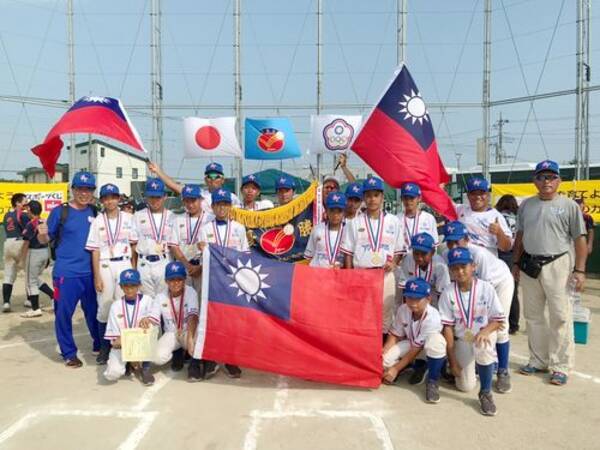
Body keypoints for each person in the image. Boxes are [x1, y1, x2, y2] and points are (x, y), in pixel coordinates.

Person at [512, 160, 587, 386]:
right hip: (530, 265)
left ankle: (560, 365)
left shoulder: (569, 206)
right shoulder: (526, 205)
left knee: (560, 316)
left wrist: (580, 270)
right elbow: (520, 237)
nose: (546, 181)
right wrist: (516, 263)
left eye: (551, 177)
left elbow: (579, 239)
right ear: (534, 180)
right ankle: (538, 360)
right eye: (542, 177)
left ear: (558, 181)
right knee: (533, 317)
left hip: (558, 264)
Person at [37, 171, 101, 368]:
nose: (84, 193)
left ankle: (99, 345)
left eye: (88, 189)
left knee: (94, 313)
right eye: (80, 189)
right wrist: (42, 234)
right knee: (64, 313)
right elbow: (45, 239)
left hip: (91, 273)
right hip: (66, 274)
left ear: (92, 191)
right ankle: (69, 353)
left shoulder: (95, 212)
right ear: (73, 189)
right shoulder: (60, 212)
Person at [442, 221, 514, 393]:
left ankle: (502, 370)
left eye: (457, 241)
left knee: (500, 327)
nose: (453, 246)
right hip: (471, 287)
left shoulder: (478, 254)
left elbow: (481, 291)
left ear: (466, 239)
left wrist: (483, 328)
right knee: (465, 385)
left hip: (499, 281)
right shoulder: (447, 254)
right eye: (449, 242)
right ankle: (471, 361)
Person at [439, 247, 505, 416]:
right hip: (463, 339)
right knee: (464, 386)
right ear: (451, 270)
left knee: (483, 347)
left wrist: (486, 331)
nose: (460, 271)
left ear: (473, 266)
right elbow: (447, 327)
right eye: (455, 268)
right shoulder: (448, 292)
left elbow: (498, 319)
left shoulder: (486, 288)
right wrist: (453, 361)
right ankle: (476, 369)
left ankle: (485, 392)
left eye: (464, 266)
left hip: (483, 334)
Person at [341, 176, 406, 336]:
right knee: (362, 312)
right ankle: (364, 350)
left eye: (376, 195)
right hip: (362, 274)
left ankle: (381, 353)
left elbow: (399, 249)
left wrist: (394, 263)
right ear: (364, 198)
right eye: (368, 195)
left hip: (385, 273)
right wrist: (350, 276)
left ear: (382, 197)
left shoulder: (393, 221)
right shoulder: (354, 222)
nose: (372, 199)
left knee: (386, 313)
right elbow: (348, 253)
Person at [196, 188, 249, 379]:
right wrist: (202, 250)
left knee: (231, 320)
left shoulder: (239, 228)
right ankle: (211, 358)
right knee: (212, 319)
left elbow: (245, 256)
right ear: (213, 206)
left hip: (233, 281)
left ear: (230, 206)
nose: (222, 208)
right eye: (218, 204)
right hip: (213, 281)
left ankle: (230, 359)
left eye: (225, 204)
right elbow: (202, 257)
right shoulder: (205, 229)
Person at [85, 183, 138, 365]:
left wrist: (133, 269)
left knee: (124, 306)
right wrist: (96, 276)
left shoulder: (129, 218)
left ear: (118, 199)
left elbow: (133, 246)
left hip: (124, 263)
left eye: (113, 197)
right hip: (105, 265)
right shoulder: (98, 221)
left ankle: (127, 346)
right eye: (106, 198)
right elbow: (95, 251)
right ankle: (104, 347)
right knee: (105, 307)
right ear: (102, 201)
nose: (110, 201)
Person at [382, 277, 447, 404]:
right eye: (409, 297)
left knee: (436, 343)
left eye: (417, 299)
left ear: (428, 299)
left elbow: (416, 349)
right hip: (411, 343)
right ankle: (415, 366)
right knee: (383, 361)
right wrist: (384, 351)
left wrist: (396, 368)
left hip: (426, 350)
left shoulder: (433, 317)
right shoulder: (403, 309)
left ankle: (432, 379)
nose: (412, 302)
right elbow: (395, 334)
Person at [103, 268, 158, 386]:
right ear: (121, 287)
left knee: (149, 327)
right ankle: (130, 363)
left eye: (133, 285)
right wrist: (130, 353)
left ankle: (145, 367)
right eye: (125, 286)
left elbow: (155, 323)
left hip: (141, 343)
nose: (129, 289)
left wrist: (148, 319)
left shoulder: (148, 300)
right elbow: (115, 342)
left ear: (139, 285)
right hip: (123, 346)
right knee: (112, 374)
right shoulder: (116, 306)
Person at [151, 262, 202, 381]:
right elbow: (153, 318)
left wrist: (189, 339)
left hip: (188, 331)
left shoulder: (190, 292)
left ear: (185, 279)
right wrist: (146, 321)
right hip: (171, 333)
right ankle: (177, 353)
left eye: (179, 279)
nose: (176, 283)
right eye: (172, 279)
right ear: (166, 281)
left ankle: (194, 365)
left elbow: (193, 316)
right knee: (157, 358)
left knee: (199, 338)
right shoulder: (160, 296)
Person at [133, 178, 177, 298]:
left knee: (165, 300)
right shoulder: (138, 215)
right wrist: (133, 267)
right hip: (144, 263)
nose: (154, 200)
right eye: (151, 197)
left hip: (164, 261)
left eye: (158, 197)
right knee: (146, 301)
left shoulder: (172, 217)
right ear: (146, 197)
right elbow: (133, 244)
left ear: (165, 196)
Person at [147, 161, 241, 213]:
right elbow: (174, 186)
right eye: (209, 176)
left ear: (223, 180)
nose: (212, 179)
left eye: (216, 176)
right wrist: (158, 171)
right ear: (205, 179)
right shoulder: (199, 193)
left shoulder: (232, 197)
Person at [170, 184, 213, 296]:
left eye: (193, 200)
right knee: (184, 303)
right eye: (186, 201)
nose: (190, 204)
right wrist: (188, 266)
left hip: (204, 268)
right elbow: (174, 246)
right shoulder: (178, 220)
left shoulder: (211, 219)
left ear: (201, 200)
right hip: (184, 267)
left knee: (202, 304)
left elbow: (214, 246)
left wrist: (201, 267)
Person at [456, 177, 512, 256]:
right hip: (464, 263)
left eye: (481, 193)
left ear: (488, 195)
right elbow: (440, 200)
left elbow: (506, 247)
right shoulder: (460, 209)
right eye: (473, 193)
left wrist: (499, 232)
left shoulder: (495, 216)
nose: (478, 197)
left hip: (487, 264)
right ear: (468, 195)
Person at [19, 200, 55, 318]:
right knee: (35, 278)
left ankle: (35, 309)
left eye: (27, 209)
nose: (26, 211)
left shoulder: (31, 223)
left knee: (30, 281)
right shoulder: (43, 221)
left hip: (34, 252)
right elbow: (47, 240)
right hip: (44, 252)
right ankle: (53, 295)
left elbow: (26, 243)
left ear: (30, 209)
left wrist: (21, 258)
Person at [395, 232, 450, 308]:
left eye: (424, 254)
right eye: (416, 253)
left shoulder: (440, 265)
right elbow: (404, 288)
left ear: (433, 252)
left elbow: (441, 294)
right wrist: (407, 310)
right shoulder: (408, 259)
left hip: (433, 303)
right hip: (413, 301)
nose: (419, 258)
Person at [495, 194, 521, 334]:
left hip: (500, 252)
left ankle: (498, 320)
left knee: (498, 289)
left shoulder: (498, 216)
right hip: (514, 254)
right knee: (513, 290)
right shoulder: (518, 218)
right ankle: (513, 324)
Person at [304, 192, 347, 268]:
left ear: (344, 212)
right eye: (332, 210)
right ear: (326, 210)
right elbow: (309, 257)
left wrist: (343, 266)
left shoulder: (348, 232)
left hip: (339, 275)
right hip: (318, 275)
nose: (335, 215)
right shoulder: (317, 229)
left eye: (339, 211)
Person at [2, 193, 30, 312]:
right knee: (29, 273)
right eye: (24, 201)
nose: (26, 203)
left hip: (8, 243)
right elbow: (28, 230)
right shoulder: (23, 215)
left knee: (8, 275)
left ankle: (6, 303)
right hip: (20, 243)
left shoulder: (7, 215)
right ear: (18, 203)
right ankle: (30, 299)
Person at [397, 183, 439, 249]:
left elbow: (434, 245)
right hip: (403, 258)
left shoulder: (429, 218)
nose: (408, 201)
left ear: (419, 198)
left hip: (422, 258)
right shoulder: (396, 219)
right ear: (401, 199)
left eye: (412, 198)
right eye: (405, 198)